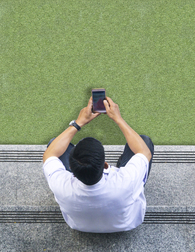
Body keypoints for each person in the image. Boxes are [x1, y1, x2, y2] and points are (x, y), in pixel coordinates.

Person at [42, 96, 154, 233]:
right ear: (106, 165)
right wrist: (118, 119)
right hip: (126, 224)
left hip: (79, 225)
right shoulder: (127, 181)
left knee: (54, 143)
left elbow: (49, 154)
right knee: (144, 141)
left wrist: (79, 122)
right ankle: (124, 164)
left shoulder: (60, 185)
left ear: (70, 168)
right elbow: (144, 152)